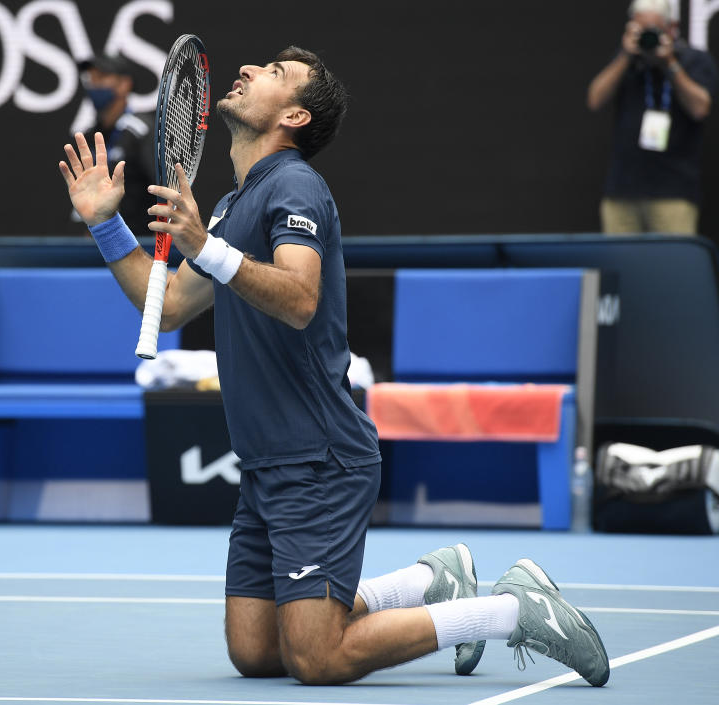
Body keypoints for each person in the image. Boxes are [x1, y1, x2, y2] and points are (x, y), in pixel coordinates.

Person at [57, 47, 610, 686]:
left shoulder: (294, 186)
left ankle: (511, 611)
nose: (248, 70)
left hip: (318, 458)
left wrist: (206, 248)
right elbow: (173, 305)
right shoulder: (234, 205)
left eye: (273, 73)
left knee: (317, 658)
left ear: (293, 114)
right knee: (257, 651)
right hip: (266, 462)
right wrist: (104, 224)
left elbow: (299, 298)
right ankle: (428, 581)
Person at [587, 0, 717, 234]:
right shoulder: (626, 60)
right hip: (623, 189)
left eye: (654, 29)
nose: (648, 36)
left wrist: (669, 63)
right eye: (641, 29)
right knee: (622, 266)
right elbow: (595, 99)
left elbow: (700, 108)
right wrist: (625, 56)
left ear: (671, 28)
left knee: (672, 266)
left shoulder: (693, 60)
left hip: (673, 190)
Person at [72, 55, 154, 235]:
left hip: (142, 243)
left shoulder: (141, 132)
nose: (94, 85)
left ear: (124, 84)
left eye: (101, 77)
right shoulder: (87, 137)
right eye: (91, 79)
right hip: (101, 242)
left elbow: (164, 189)